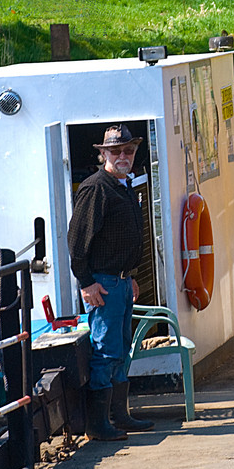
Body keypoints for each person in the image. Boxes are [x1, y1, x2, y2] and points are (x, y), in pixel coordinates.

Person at [68, 124, 153, 440]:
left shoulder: (123, 185)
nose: (123, 156)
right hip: (102, 284)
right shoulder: (96, 188)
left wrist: (129, 276)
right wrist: (86, 282)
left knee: (121, 350)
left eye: (128, 151)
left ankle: (119, 415)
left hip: (120, 282)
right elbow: (76, 242)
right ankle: (98, 425)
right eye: (116, 151)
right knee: (104, 351)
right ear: (103, 153)